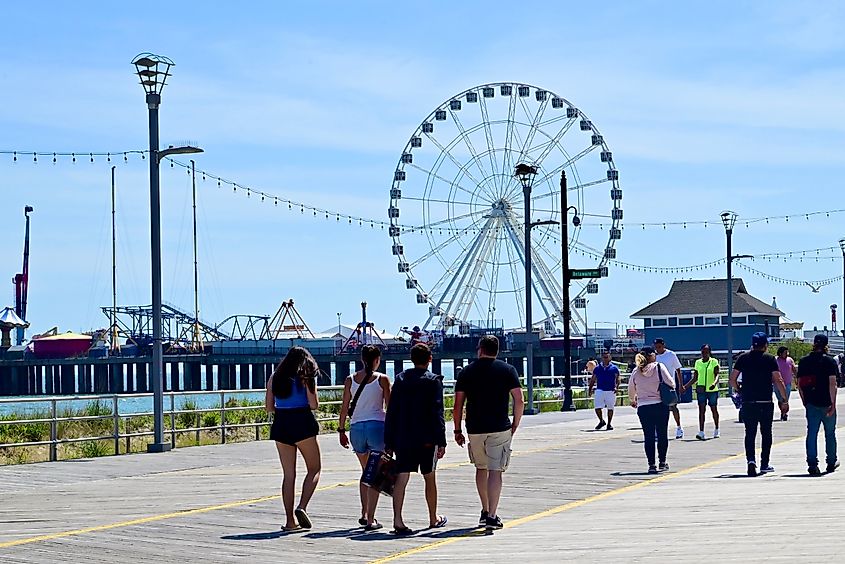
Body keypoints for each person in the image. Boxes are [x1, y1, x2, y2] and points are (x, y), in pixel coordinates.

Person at [453, 335, 524, 530]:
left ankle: (484, 510)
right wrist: (515, 424)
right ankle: (492, 515)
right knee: (495, 471)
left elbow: (458, 404)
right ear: (497, 350)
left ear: (480, 349)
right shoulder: (508, 370)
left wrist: (457, 429)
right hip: (500, 426)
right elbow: (519, 400)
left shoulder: (466, 372)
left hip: (475, 428)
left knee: (480, 468)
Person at [384, 343, 447, 534]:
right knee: (429, 478)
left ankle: (398, 520)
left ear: (411, 359)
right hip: (427, 438)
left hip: (403, 437)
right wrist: (441, 440)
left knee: (402, 478)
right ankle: (432, 518)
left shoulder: (401, 379)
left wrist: (389, 440)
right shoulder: (433, 381)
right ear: (430, 359)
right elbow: (438, 412)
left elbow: (392, 411)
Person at [264, 346, 322, 531]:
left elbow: (269, 407)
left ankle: (290, 521)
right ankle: (302, 506)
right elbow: (314, 405)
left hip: (282, 424)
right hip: (302, 423)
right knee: (314, 469)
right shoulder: (305, 378)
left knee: (289, 475)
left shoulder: (275, 377)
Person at [338, 344, 391, 531]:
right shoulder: (382, 379)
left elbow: (344, 407)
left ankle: (363, 512)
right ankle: (371, 519)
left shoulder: (350, 379)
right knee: (375, 474)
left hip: (356, 428)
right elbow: (389, 408)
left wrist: (341, 430)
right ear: (377, 360)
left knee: (364, 472)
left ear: (361, 359)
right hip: (376, 426)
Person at [729, 332, 789, 477]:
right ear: (765, 345)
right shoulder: (769, 359)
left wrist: (739, 389)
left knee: (750, 433)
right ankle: (764, 464)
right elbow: (778, 380)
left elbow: (732, 379)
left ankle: (751, 461)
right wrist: (784, 400)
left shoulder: (743, 358)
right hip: (765, 402)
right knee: (766, 433)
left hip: (748, 401)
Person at [628, 346, 676, 474]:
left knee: (648, 436)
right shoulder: (659, 367)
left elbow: (631, 389)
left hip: (643, 407)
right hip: (660, 404)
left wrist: (633, 400)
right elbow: (671, 383)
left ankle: (651, 464)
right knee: (662, 434)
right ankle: (662, 462)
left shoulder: (636, 371)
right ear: (651, 356)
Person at [797, 334, 839, 476]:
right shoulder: (829, 362)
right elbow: (832, 383)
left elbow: (800, 385)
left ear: (814, 344)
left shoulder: (804, 361)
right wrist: (833, 403)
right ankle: (831, 462)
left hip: (811, 403)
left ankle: (812, 464)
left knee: (812, 433)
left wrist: (805, 401)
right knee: (830, 434)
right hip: (827, 402)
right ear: (826, 346)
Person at [683, 344, 720, 440]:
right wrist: (686, 386)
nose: (704, 354)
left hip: (712, 390)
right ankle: (701, 431)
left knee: (713, 409)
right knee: (701, 410)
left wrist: (714, 383)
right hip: (701, 390)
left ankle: (716, 428)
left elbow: (717, 375)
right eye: (703, 352)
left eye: (706, 352)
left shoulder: (714, 362)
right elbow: (695, 377)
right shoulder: (698, 363)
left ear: (709, 352)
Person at [654, 338, 684, 439]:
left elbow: (678, 370)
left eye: (659, 347)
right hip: (657, 386)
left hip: (670, 385)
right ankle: (659, 430)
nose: (658, 349)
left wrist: (681, 385)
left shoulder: (671, 355)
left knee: (673, 407)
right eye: (656, 347)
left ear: (663, 345)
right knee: (659, 409)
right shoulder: (654, 356)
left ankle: (679, 427)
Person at [589, 351, 621, 431]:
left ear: (610, 357)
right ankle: (601, 421)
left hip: (610, 390)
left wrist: (616, 387)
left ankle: (609, 423)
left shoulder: (614, 368)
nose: (605, 359)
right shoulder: (597, 368)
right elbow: (593, 379)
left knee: (610, 408)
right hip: (600, 389)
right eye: (604, 357)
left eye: (607, 357)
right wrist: (590, 389)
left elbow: (618, 378)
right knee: (597, 407)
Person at [775, 346, 797, 421]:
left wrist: (797, 378)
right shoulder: (775, 360)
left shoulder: (790, 360)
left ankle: (784, 413)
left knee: (785, 399)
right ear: (780, 353)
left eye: (787, 352)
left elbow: (794, 369)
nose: (787, 354)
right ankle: (782, 411)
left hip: (787, 383)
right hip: (777, 383)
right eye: (785, 353)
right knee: (780, 399)